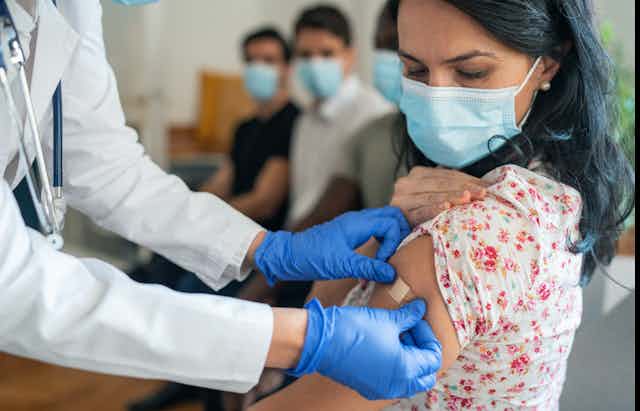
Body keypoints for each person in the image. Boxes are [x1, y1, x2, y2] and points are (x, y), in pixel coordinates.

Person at [0, 0, 446, 402]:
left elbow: (103, 162)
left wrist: (268, 249)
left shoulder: (67, 7)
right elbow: (15, 286)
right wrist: (304, 338)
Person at [247, 0, 635, 409]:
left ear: (548, 64)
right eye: (414, 70)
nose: (436, 97)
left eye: (471, 72)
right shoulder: (548, 186)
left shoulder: (474, 233)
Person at [126, 26, 301, 411]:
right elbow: (220, 182)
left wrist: (201, 226)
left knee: (192, 294)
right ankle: (185, 382)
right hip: (226, 236)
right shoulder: (245, 128)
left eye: (269, 61)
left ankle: (202, 392)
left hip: (258, 248)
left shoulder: (292, 122)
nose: (259, 69)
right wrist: (175, 215)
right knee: (163, 276)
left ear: (287, 68)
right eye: (252, 61)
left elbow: (264, 200)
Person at [287, 4, 393, 232]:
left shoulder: (372, 114)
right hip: (295, 238)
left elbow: (343, 205)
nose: (315, 65)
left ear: (349, 55)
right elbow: (302, 197)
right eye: (305, 55)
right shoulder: (304, 119)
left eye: (327, 54)